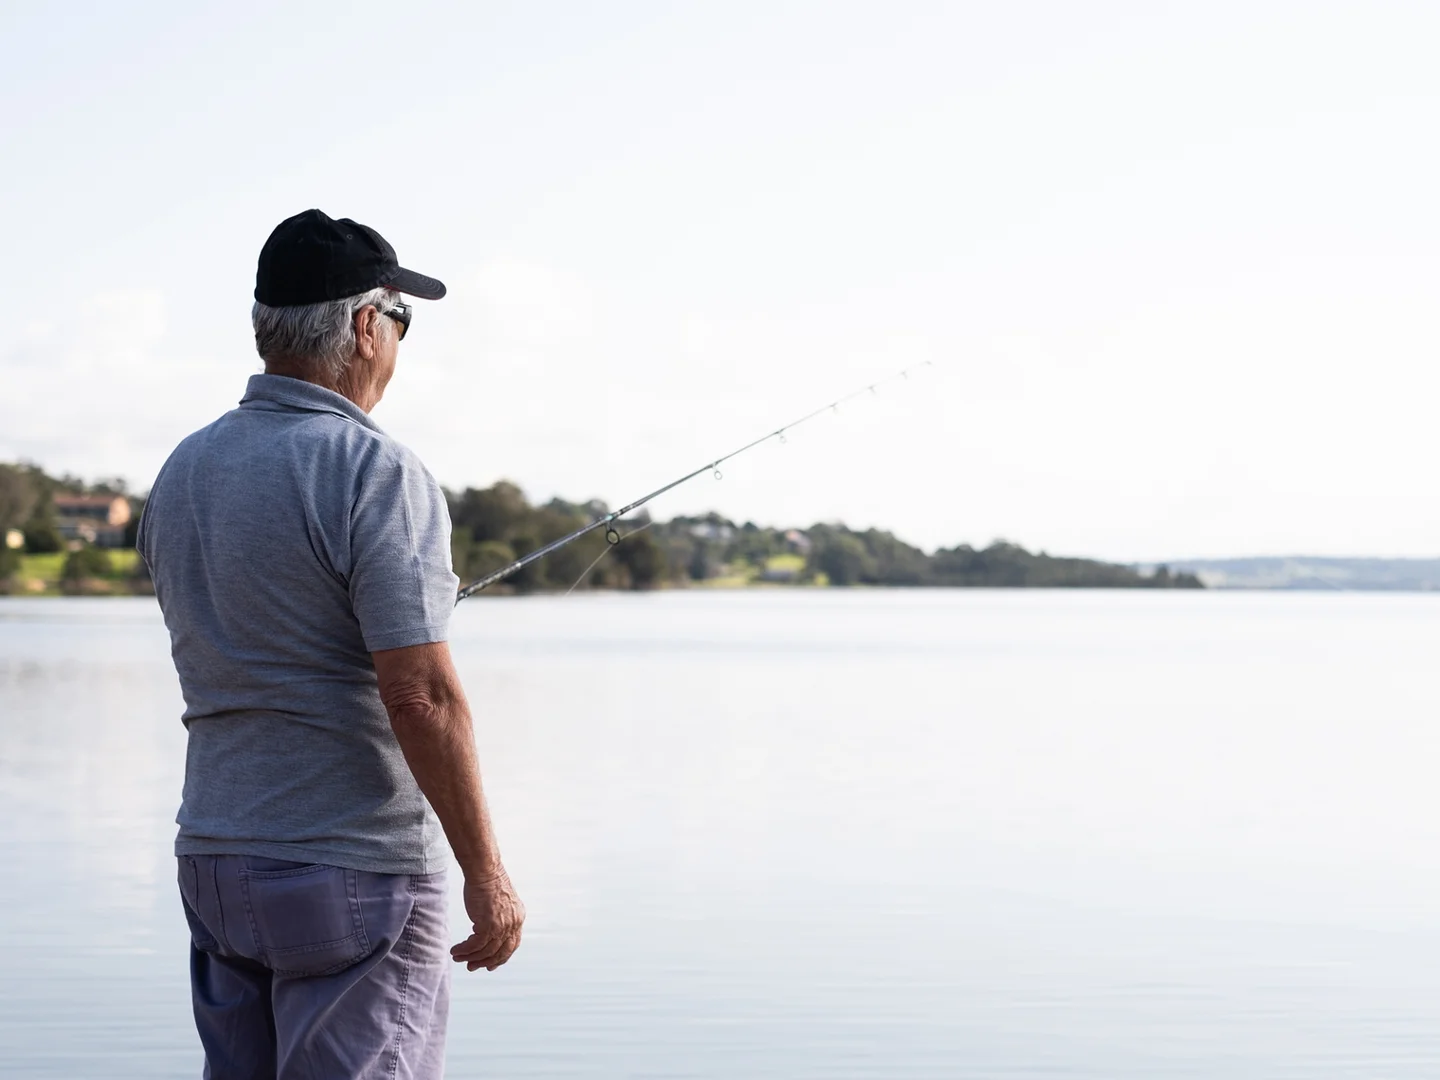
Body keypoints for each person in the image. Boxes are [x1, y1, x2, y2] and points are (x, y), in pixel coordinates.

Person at [137, 209, 523, 1079]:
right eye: (400, 319)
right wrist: (488, 877)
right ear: (362, 325)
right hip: (352, 872)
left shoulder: (183, 470)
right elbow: (420, 696)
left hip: (214, 863)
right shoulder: (376, 471)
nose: (398, 342)